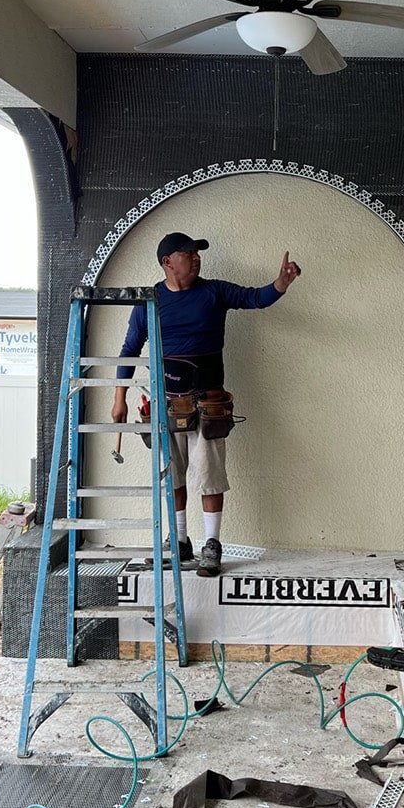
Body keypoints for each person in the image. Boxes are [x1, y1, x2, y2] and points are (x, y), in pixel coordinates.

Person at [111, 231, 301, 577]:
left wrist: (281, 283)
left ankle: (211, 544)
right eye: (188, 254)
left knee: (210, 476)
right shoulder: (149, 302)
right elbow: (129, 350)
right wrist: (118, 398)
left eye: (197, 254)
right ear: (168, 262)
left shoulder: (214, 292)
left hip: (208, 403)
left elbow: (256, 298)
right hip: (164, 404)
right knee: (172, 475)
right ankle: (180, 541)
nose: (196, 258)